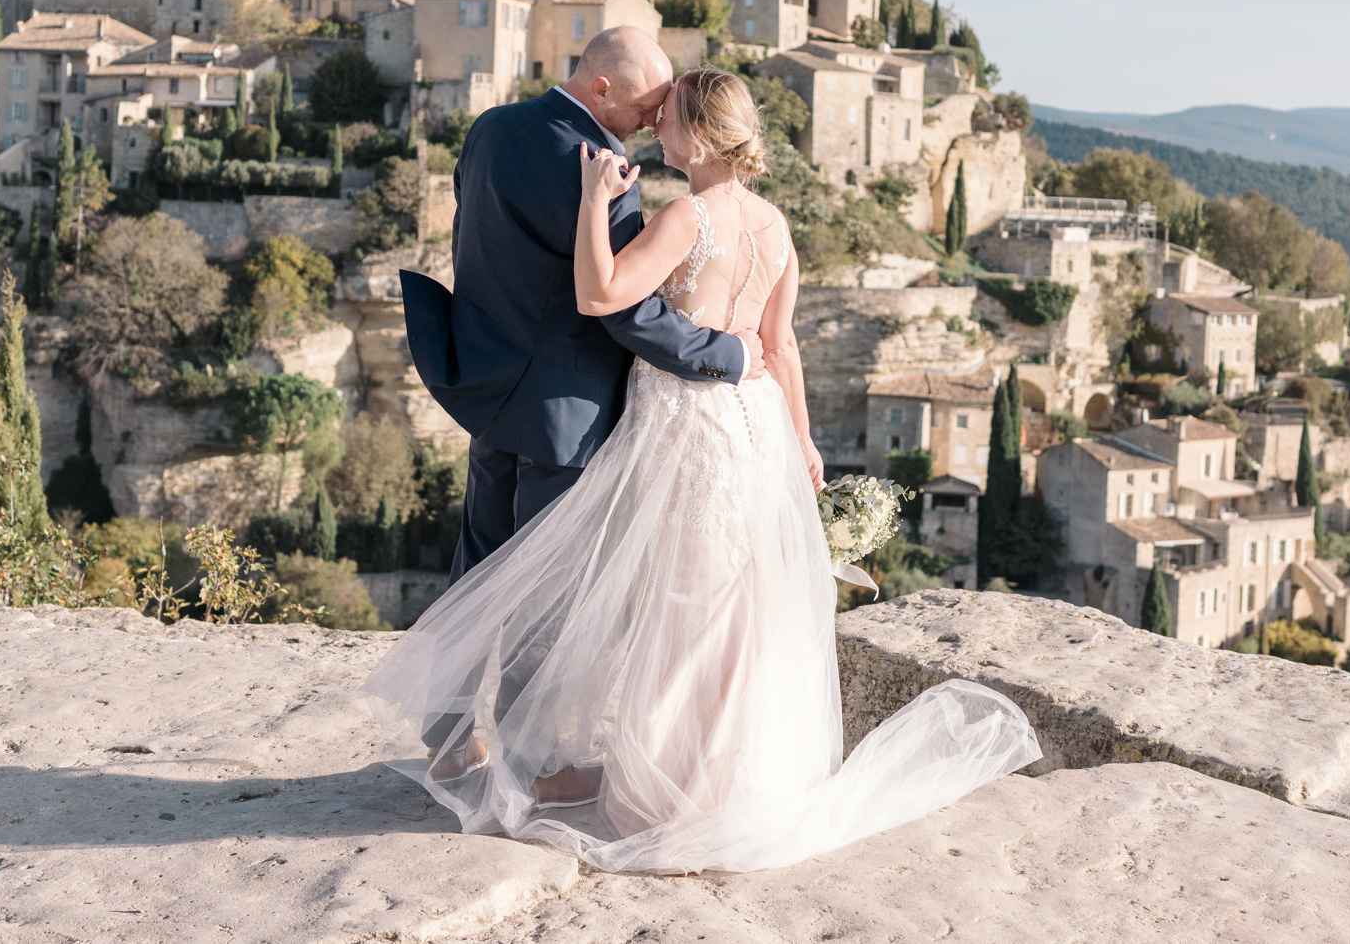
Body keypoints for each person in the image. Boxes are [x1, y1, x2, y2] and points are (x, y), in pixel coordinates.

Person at [368, 67, 1038, 873]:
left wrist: (591, 203)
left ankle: (660, 793)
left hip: (688, 430)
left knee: (673, 610)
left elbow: (600, 293)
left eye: (671, 122)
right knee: (736, 612)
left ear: (703, 136)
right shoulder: (776, 226)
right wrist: (805, 442)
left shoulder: (688, 216)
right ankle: (727, 785)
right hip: (754, 430)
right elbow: (782, 347)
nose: (656, 133)